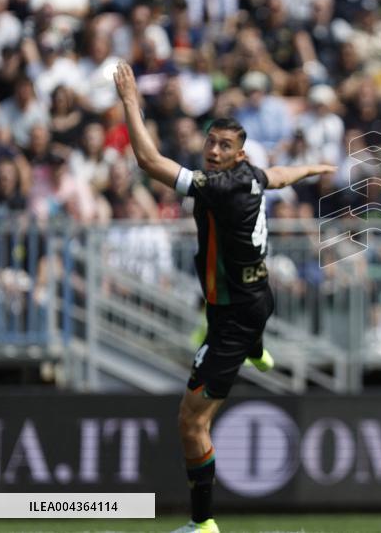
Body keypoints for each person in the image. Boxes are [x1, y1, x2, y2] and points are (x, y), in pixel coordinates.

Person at [113, 61, 335, 533]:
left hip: (235, 317)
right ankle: (256, 349)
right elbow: (278, 175)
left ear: (238, 154)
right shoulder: (251, 175)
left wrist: (131, 102)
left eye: (224, 146)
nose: (213, 151)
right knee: (228, 331)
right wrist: (311, 168)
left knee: (190, 424)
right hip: (248, 302)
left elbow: (150, 163)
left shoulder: (217, 188)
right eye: (211, 142)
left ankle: (203, 524)